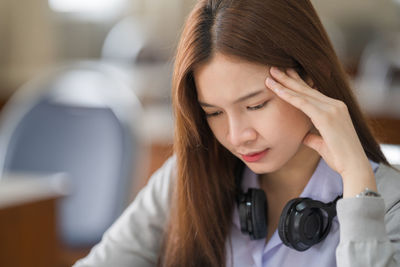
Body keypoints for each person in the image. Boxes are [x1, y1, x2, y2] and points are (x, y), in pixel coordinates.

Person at [73, 0, 400, 266]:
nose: (236, 135)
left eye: (256, 105)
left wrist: (359, 187)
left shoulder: (390, 200)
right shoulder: (186, 179)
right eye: (213, 112)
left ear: (313, 75)